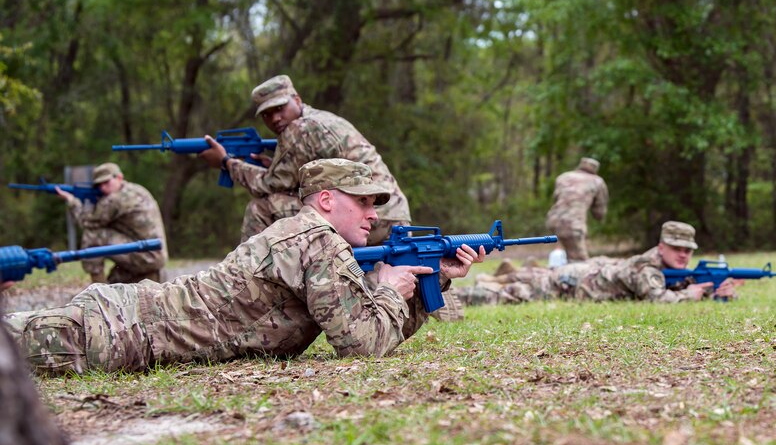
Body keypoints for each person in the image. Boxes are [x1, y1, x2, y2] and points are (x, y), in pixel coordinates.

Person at [4, 159, 484, 375]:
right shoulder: (317, 242)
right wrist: (388, 288)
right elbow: (362, 346)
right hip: (121, 331)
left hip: (130, 321)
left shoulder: (310, 237)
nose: (374, 214)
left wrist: (430, 278)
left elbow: (369, 328)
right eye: (362, 203)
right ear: (326, 200)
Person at [199, 74, 412, 245]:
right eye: (267, 114)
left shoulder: (299, 129)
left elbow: (268, 185)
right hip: (394, 215)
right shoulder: (322, 119)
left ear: (297, 100)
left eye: (280, 108)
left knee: (261, 208)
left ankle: (247, 281)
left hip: (371, 217)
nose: (275, 118)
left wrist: (226, 162)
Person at [455, 221, 740, 306]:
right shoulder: (646, 268)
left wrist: (714, 288)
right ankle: (458, 296)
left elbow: (681, 280)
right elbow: (658, 297)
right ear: (662, 246)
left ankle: (507, 275)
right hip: (572, 285)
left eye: (687, 251)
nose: (683, 256)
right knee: (511, 296)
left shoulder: (665, 265)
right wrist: (691, 295)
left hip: (581, 272)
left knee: (530, 277)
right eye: (677, 249)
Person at [54, 162, 167, 284]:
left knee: (93, 235)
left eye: (106, 182)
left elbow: (87, 222)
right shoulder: (136, 190)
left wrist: (72, 201)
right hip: (153, 256)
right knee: (114, 281)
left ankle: (99, 290)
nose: (103, 188)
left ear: (119, 177)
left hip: (146, 258)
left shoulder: (115, 200)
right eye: (99, 185)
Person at [545, 157, 609, 262]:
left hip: (553, 220)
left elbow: (557, 199)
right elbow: (599, 212)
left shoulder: (563, 177)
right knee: (579, 262)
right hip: (573, 224)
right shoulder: (597, 181)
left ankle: (556, 271)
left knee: (562, 255)